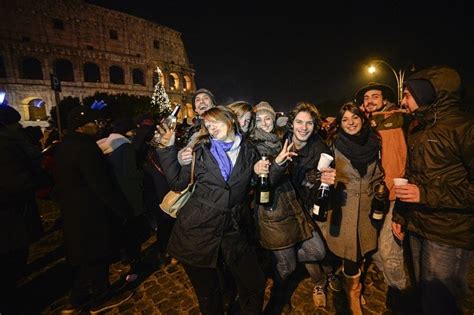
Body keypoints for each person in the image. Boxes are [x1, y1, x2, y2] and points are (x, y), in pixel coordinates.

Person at [156, 106, 265, 314]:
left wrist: (262, 172)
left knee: (254, 283)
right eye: (207, 124)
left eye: (215, 121)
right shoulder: (200, 150)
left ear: (230, 120)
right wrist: (167, 150)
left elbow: (255, 183)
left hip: (234, 230)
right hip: (197, 231)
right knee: (209, 295)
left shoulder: (249, 150)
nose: (210, 127)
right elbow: (178, 183)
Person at [392, 65, 474, 314]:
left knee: (441, 301)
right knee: (422, 292)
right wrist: (400, 214)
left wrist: (425, 194)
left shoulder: (464, 128)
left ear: (426, 93)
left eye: (406, 94)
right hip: (418, 224)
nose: (402, 101)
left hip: (448, 232)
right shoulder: (417, 127)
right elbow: (411, 175)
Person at [252, 101, 334, 312]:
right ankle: (278, 295)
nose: (303, 127)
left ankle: (275, 260)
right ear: (291, 123)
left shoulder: (319, 149)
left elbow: (318, 193)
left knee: (316, 252)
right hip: (275, 209)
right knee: (286, 263)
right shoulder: (270, 142)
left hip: (297, 207)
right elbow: (265, 181)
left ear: (315, 126)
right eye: (299, 122)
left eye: (308, 123)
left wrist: (321, 182)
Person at [55, 106, 133, 314]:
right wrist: (121, 209)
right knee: (98, 255)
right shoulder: (85, 147)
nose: (97, 126)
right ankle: (101, 296)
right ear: (82, 126)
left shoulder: (64, 145)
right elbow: (101, 184)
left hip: (73, 211)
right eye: (93, 123)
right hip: (92, 212)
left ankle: (76, 299)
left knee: (85, 258)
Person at [323, 103, 384, 315]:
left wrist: (379, 191)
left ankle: (351, 282)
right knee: (351, 255)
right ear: (339, 124)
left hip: (368, 209)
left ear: (363, 119)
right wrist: (320, 176)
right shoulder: (333, 144)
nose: (350, 123)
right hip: (343, 209)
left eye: (354, 118)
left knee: (363, 252)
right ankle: (353, 295)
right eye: (345, 120)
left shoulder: (375, 142)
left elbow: (379, 174)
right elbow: (319, 171)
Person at [355, 82, 410, 310]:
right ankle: (395, 285)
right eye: (366, 97)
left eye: (375, 96)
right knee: (375, 249)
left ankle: (403, 297)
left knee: (389, 251)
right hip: (370, 197)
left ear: (385, 99)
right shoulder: (362, 124)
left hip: (394, 195)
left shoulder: (398, 119)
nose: (370, 100)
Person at [0, 105, 44, 314]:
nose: (18, 126)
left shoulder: (10, 143)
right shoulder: (8, 146)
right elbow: (20, 180)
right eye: (13, 123)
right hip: (9, 214)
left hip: (12, 212)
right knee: (11, 260)